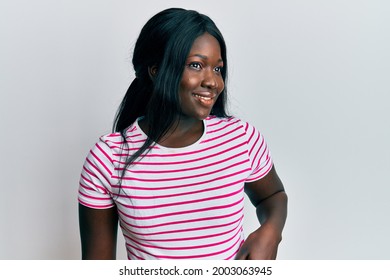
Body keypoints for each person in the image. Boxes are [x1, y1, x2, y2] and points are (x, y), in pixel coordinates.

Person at [78, 7, 287, 260]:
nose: (213, 82)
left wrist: (270, 233)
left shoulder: (241, 139)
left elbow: (273, 196)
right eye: (196, 65)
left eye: (218, 69)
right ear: (156, 71)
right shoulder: (108, 159)